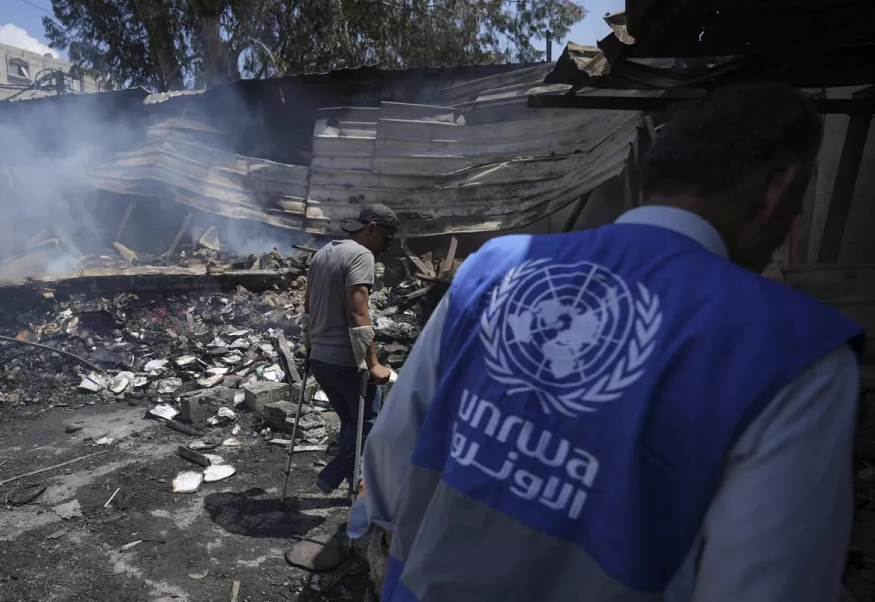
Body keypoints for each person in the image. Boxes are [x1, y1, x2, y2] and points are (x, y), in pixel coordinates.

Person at [354, 83, 865, 601]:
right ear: (778, 189)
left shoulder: (496, 267)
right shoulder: (794, 353)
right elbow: (766, 585)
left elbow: (394, 452)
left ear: (652, 180)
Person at [302, 204, 399, 495]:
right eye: (387, 237)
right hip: (344, 360)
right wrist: (372, 364)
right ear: (371, 229)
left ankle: (354, 481)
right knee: (371, 421)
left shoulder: (323, 253)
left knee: (351, 422)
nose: (387, 246)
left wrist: (309, 348)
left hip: (320, 358)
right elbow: (358, 314)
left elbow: (307, 308)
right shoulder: (361, 255)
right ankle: (331, 476)